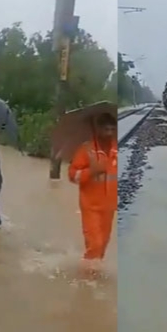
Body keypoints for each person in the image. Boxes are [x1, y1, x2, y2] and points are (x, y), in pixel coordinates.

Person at [68, 112, 117, 263]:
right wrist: (91, 171)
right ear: (98, 129)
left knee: (103, 245)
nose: (108, 133)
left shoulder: (117, 149)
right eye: (105, 129)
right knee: (95, 244)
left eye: (111, 129)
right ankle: (85, 274)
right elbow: (72, 175)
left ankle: (93, 274)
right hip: (91, 206)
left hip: (109, 207)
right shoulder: (86, 150)